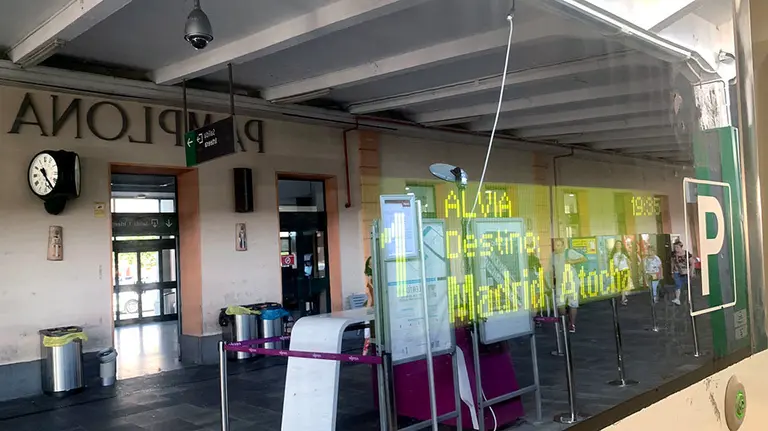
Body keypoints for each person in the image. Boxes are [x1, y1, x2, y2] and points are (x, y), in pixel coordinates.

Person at [551, 238, 587, 333]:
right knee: (560, 304)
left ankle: (572, 324)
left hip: (572, 281)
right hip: (560, 283)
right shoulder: (553, 256)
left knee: (573, 303)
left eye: (558, 245)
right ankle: (564, 320)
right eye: (555, 245)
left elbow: (583, 258)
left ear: (563, 246)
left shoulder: (569, 252)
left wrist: (572, 262)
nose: (556, 247)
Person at [671, 240, 694, 306]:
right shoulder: (673, 254)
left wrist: (691, 272)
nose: (676, 249)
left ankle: (689, 299)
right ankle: (677, 299)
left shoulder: (687, 253)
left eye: (677, 247)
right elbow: (672, 262)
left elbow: (692, 263)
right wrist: (672, 271)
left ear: (681, 247)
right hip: (677, 271)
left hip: (685, 271)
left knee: (687, 285)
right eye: (675, 247)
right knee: (678, 284)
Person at [610, 240, 633, 305]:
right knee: (618, 285)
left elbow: (628, 262)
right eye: (617, 244)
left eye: (619, 244)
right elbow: (614, 264)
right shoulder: (614, 255)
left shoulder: (624, 254)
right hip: (618, 271)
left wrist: (630, 270)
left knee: (623, 284)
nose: (618, 245)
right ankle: (623, 297)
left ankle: (623, 298)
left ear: (621, 246)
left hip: (624, 270)